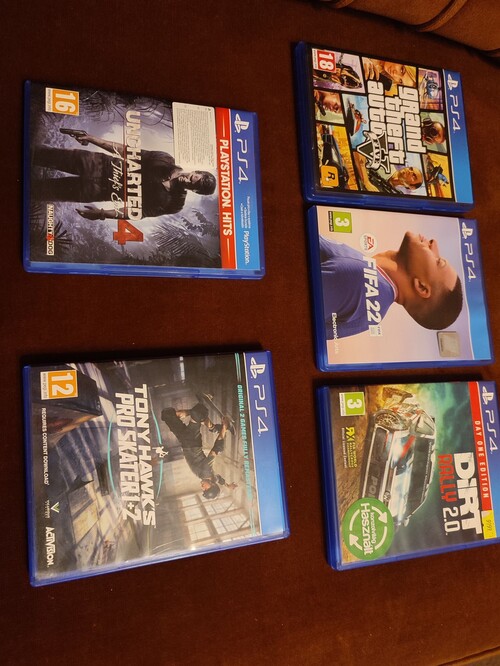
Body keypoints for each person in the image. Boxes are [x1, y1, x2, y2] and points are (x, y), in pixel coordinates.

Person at [31, 129, 216, 219]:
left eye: (192, 186)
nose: (187, 181)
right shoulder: (165, 159)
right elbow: (126, 151)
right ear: (196, 171)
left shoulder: (174, 204)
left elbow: (137, 212)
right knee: (38, 154)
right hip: (95, 163)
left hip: (94, 191)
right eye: (193, 177)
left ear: (195, 192)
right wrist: (92, 138)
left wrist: (102, 213)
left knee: (37, 191)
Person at [319, 231, 463, 339]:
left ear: (421, 287)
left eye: (438, 261)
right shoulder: (372, 288)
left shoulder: (360, 282)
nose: (434, 243)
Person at [161, 402, 237, 499]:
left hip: (184, 440)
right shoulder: (205, 472)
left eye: (203, 490)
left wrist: (228, 486)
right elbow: (216, 449)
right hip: (191, 442)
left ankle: (210, 424)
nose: (202, 488)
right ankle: (214, 427)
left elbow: (219, 480)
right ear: (212, 485)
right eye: (205, 489)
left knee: (167, 415)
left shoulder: (213, 478)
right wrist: (224, 428)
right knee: (198, 412)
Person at [353, 152, 423, 194]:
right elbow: (358, 152)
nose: (409, 171)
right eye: (411, 168)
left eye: (414, 176)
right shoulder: (385, 162)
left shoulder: (393, 193)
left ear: (412, 187)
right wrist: (366, 182)